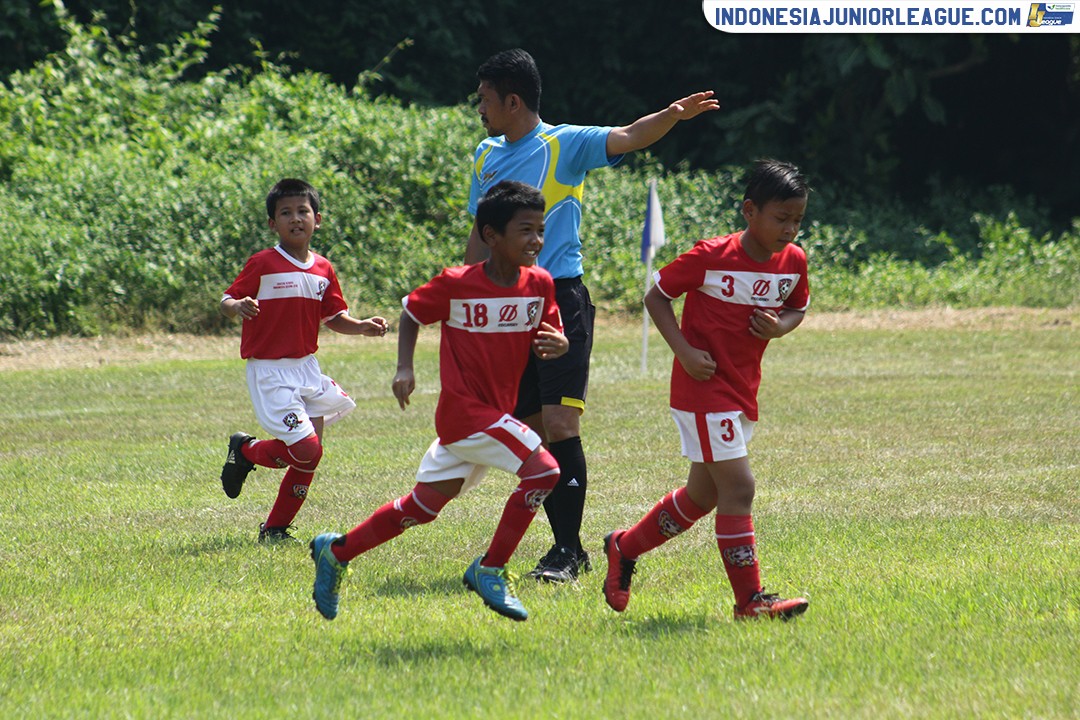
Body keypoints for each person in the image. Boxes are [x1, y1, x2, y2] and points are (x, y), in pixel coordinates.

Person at [465, 48, 720, 583]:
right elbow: (479, 235)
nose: (479, 107)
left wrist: (672, 115)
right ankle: (564, 550)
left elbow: (628, 135)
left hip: (560, 300)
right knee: (531, 430)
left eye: (485, 98)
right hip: (511, 308)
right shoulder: (486, 154)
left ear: (513, 101)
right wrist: (468, 296)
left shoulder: (565, 144)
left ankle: (567, 552)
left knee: (560, 423)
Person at [309, 181, 569, 622]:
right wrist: (405, 368)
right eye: (526, 230)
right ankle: (490, 568)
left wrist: (558, 343)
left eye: (541, 230)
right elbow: (412, 311)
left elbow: (552, 328)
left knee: (422, 509)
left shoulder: (540, 283)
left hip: (494, 416)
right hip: (465, 416)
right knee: (544, 471)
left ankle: (336, 551)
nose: (536, 241)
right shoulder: (457, 284)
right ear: (491, 235)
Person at [602, 159, 812, 620]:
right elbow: (656, 295)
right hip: (703, 388)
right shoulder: (711, 256)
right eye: (781, 218)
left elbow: (798, 308)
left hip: (742, 391)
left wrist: (779, 329)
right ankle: (750, 602)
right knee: (740, 488)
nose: (790, 230)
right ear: (749, 211)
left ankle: (624, 547)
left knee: (703, 496)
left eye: (797, 220)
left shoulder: (793, 261)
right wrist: (683, 351)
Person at [219, 178, 388, 543]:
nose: (295, 218)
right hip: (271, 370)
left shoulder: (323, 269)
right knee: (306, 449)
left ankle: (275, 528)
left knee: (308, 456)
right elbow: (227, 299)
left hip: (306, 368)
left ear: (317, 219)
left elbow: (333, 317)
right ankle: (246, 450)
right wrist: (238, 306)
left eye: (302, 211)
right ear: (272, 224)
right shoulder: (263, 263)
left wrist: (361, 327)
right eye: (285, 213)